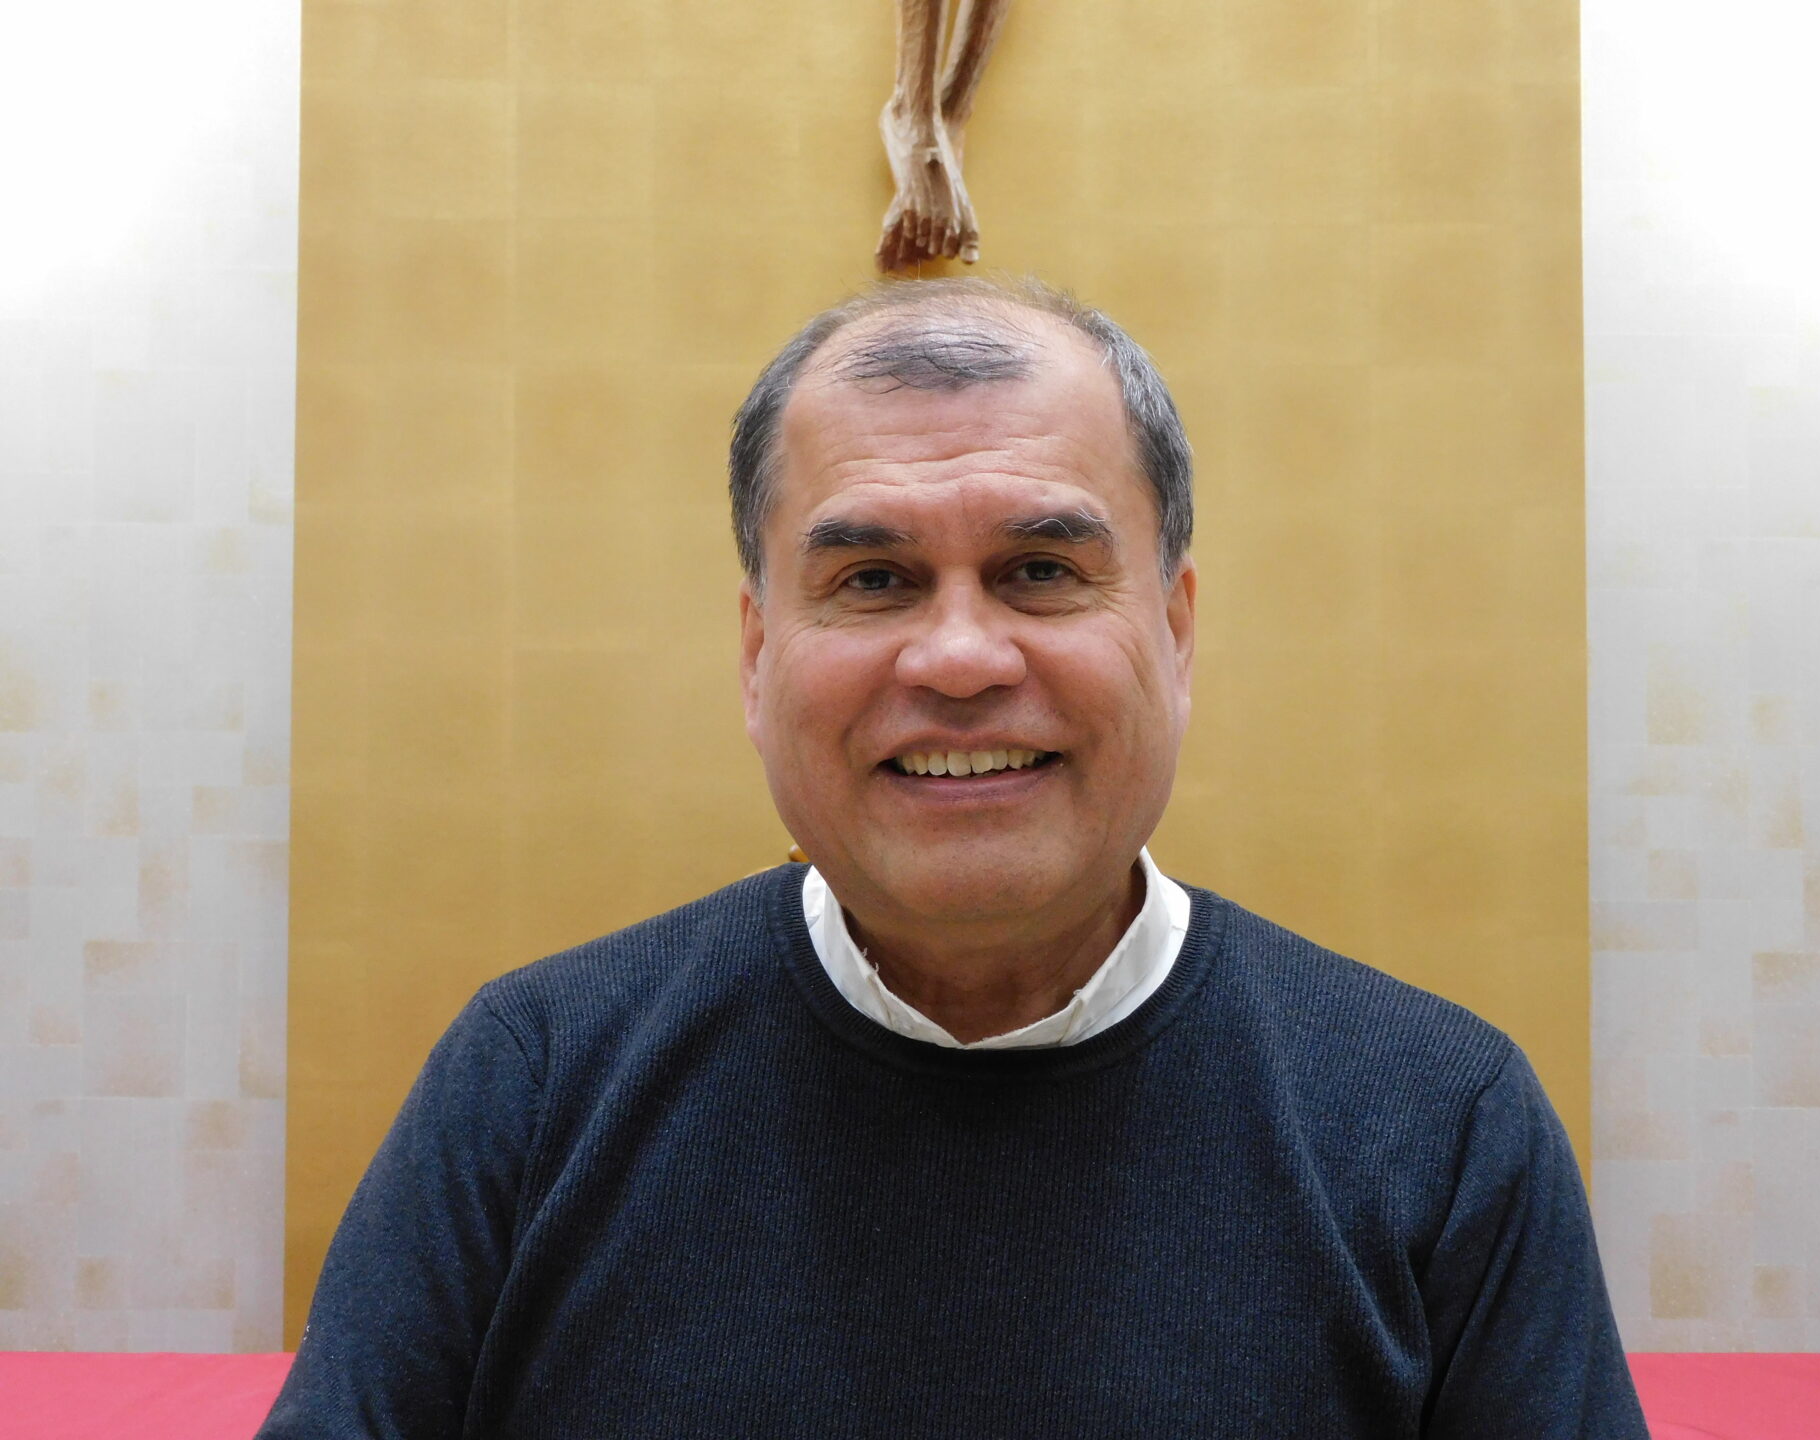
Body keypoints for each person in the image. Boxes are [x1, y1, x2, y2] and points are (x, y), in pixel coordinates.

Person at [259, 276, 1648, 1438]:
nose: (963, 657)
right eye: (873, 580)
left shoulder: (1440, 1123)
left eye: (1042, 571)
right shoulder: (533, 1086)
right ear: (757, 652)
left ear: (1175, 632)